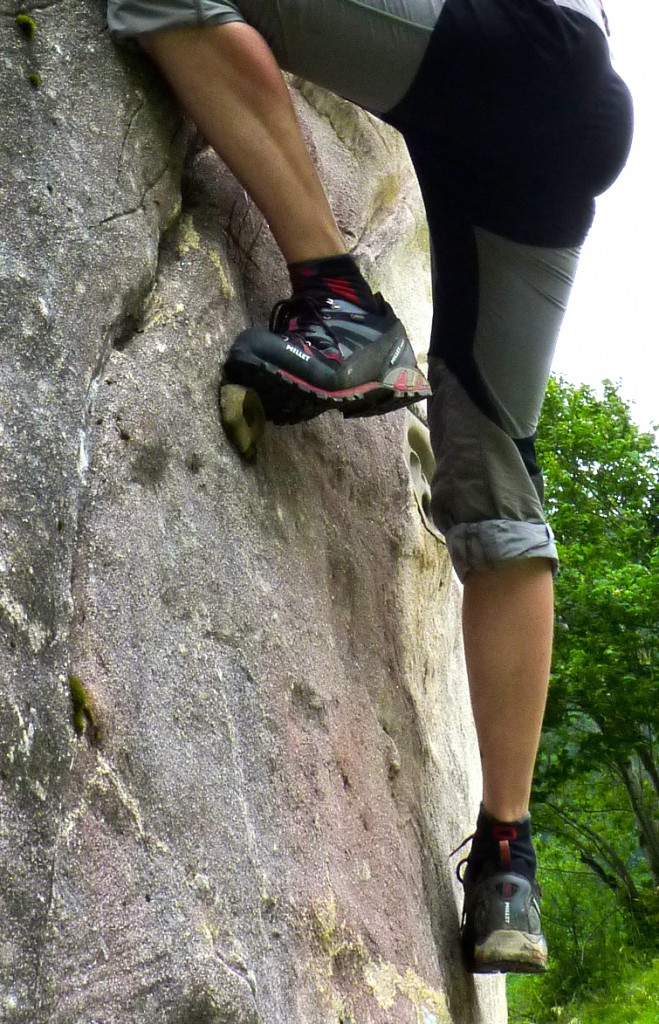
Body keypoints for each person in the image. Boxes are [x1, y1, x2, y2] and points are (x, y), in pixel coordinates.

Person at [107, 0, 633, 973]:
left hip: (512, 58)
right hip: (565, 112)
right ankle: (508, 864)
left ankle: (339, 304)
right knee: (494, 480)